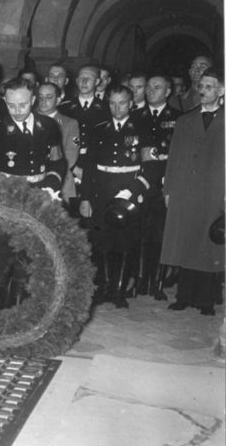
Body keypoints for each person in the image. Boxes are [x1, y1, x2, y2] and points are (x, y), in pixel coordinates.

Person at [79, 85, 151, 308]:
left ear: (131, 103)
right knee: (101, 242)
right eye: (112, 103)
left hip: (128, 193)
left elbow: (151, 166)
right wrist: (85, 197)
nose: (116, 108)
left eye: (121, 103)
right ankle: (104, 287)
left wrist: (133, 191)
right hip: (102, 192)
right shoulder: (98, 128)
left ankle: (119, 290)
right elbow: (89, 167)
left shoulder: (143, 128)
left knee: (125, 243)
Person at [161, 67, 224, 316]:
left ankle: (206, 300)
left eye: (209, 86)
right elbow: (174, 158)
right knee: (186, 243)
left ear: (222, 90)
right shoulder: (186, 120)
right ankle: (183, 296)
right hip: (186, 189)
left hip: (214, 191)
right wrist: (169, 189)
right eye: (201, 86)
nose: (203, 91)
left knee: (208, 246)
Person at [131, 75, 181, 299]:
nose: (151, 91)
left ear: (168, 91)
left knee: (160, 235)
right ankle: (139, 281)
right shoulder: (134, 116)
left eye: (157, 87)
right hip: (140, 183)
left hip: (164, 184)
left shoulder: (178, 119)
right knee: (140, 233)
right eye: (149, 87)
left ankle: (157, 283)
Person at [0, 78, 65, 193]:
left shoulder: (49, 125)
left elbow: (57, 162)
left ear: (33, 100)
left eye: (23, 105)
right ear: (5, 101)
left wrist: (50, 187)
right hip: (9, 192)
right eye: (11, 105)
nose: (17, 111)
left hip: (43, 190)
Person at [59, 65, 110, 214]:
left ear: (97, 81)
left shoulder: (106, 109)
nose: (84, 81)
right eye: (81, 78)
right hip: (69, 166)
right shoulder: (64, 107)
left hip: (95, 167)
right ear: (76, 80)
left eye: (89, 78)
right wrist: (73, 168)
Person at [36, 82, 80, 206]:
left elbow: (70, 156)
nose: (43, 100)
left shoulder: (69, 124)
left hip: (60, 181)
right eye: (40, 96)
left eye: (49, 97)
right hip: (33, 180)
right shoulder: (29, 120)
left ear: (59, 99)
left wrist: (49, 176)